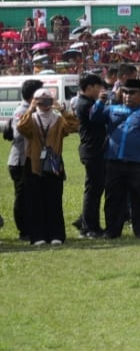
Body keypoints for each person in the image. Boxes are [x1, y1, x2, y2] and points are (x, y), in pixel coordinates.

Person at [99, 78, 140, 239]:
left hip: (137, 161)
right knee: (113, 196)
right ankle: (112, 230)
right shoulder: (112, 109)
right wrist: (99, 103)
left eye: (132, 93)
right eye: (125, 92)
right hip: (113, 159)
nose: (128, 96)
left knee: (138, 196)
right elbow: (94, 118)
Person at [17, 90, 79, 245]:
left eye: (48, 100)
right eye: (41, 100)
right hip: (34, 164)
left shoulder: (58, 120)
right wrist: (31, 108)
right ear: (35, 100)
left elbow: (74, 125)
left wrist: (62, 109)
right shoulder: (31, 119)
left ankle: (56, 235)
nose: (44, 104)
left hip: (54, 163)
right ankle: (38, 236)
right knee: (35, 201)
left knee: (54, 200)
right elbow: (21, 127)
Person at [72, 73, 110, 238]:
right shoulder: (85, 104)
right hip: (92, 150)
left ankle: (85, 221)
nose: (100, 90)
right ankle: (89, 227)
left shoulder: (87, 102)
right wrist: (101, 103)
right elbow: (97, 117)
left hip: (94, 150)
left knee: (95, 188)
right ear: (89, 87)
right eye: (98, 87)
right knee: (93, 189)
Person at [8, 78, 44, 242]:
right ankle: (24, 230)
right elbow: (18, 134)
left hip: (30, 160)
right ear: (33, 96)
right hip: (20, 161)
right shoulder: (22, 111)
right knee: (22, 197)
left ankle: (32, 227)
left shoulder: (34, 110)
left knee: (31, 195)